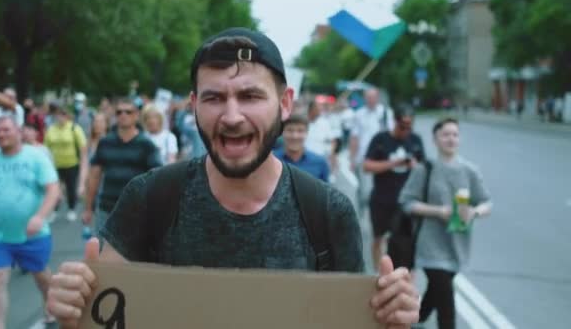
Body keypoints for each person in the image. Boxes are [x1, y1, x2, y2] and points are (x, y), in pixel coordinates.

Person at [47, 27, 419, 328]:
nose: (231, 116)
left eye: (250, 96)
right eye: (214, 98)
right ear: (193, 107)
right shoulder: (150, 197)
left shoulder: (327, 212)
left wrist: (388, 320)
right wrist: (76, 310)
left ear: (285, 103)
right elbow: (107, 314)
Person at [399, 118, 492, 329]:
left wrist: (474, 211)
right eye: (445, 134)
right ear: (435, 139)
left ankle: (417, 319)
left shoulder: (470, 171)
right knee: (446, 303)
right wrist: (438, 211)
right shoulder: (425, 169)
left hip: (458, 244)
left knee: (437, 290)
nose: (451, 139)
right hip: (430, 244)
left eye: (455, 134)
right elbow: (406, 202)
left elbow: (487, 203)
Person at [0, 116, 60, 329]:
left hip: (33, 236)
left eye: (6, 130)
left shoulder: (36, 158)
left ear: (18, 131)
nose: (1, 134)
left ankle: (51, 315)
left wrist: (40, 216)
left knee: (41, 277)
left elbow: (53, 189)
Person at [81, 97, 162, 235]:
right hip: (107, 208)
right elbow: (94, 177)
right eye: (119, 112)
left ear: (136, 115)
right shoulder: (105, 143)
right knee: (104, 254)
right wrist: (88, 208)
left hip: (137, 210)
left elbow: (157, 179)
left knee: (134, 255)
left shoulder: (146, 144)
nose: (123, 115)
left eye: (128, 112)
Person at [364, 105, 425, 271]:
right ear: (395, 121)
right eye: (402, 126)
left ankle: (403, 273)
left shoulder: (415, 140)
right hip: (382, 198)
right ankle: (378, 272)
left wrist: (415, 166)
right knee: (379, 238)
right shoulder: (381, 139)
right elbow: (367, 166)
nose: (406, 130)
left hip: (406, 200)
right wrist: (394, 163)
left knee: (406, 240)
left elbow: (424, 168)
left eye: (409, 126)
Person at [349, 87, 395, 216]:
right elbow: (354, 138)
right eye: (368, 97)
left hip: (382, 158)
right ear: (364, 98)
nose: (371, 100)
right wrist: (352, 159)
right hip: (364, 158)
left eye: (373, 97)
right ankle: (362, 214)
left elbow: (392, 134)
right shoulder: (358, 114)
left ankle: (379, 214)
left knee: (383, 188)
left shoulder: (386, 113)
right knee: (365, 191)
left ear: (377, 97)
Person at [44, 105, 88, 222]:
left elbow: (83, 147)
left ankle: (72, 209)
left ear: (67, 116)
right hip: (55, 165)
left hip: (72, 164)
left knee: (71, 188)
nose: (61, 117)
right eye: (59, 114)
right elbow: (46, 147)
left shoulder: (74, 128)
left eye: (63, 114)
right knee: (55, 188)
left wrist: (83, 162)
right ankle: (54, 210)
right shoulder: (51, 129)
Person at [273, 114, 330, 182]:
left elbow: (325, 191)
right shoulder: (272, 161)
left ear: (307, 133)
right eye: (290, 130)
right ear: (282, 132)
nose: (295, 136)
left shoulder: (320, 162)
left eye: (300, 131)